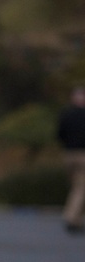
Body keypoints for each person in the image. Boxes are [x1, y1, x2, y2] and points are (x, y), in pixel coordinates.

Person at [57, 85, 85, 234]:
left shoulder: (66, 114)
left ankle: (76, 218)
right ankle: (71, 217)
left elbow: (59, 134)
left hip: (68, 154)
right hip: (81, 154)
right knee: (80, 188)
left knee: (76, 186)